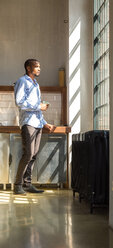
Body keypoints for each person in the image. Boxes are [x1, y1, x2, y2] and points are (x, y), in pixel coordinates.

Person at [14, 59, 55, 194]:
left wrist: (44, 123)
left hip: (37, 124)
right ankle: (17, 186)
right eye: (36, 67)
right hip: (28, 123)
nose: (39, 69)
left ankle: (27, 184)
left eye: (39, 66)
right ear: (28, 68)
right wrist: (39, 106)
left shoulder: (35, 84)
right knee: (28, 154)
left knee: (34, 155)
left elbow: (37, 110)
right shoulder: (22, 81)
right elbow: (19, 102)